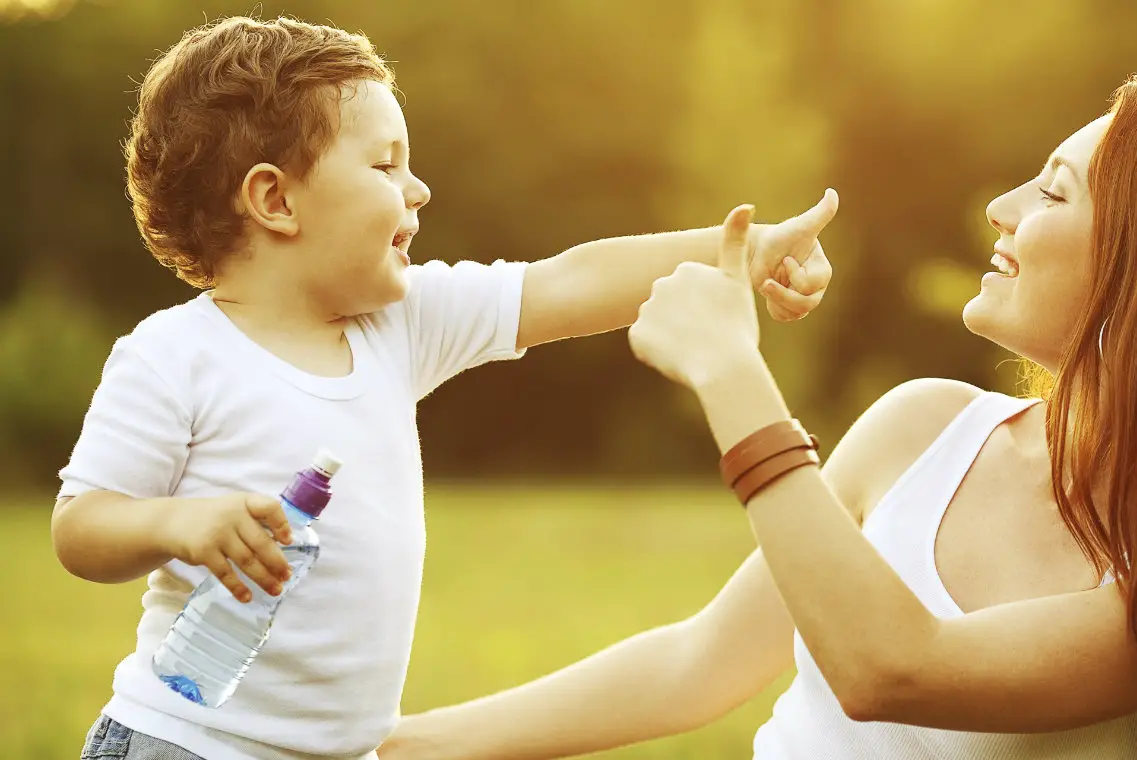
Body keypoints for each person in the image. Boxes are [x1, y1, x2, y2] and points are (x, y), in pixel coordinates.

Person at [380, 77, 1137, 760]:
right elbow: (700, 662)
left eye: (1055, 194)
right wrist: (411, 744)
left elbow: (891, 668)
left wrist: (732, 373)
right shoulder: (925, 431)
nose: (1003, 207)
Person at [55, 16, 838, 760]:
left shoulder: (400, 324)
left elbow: (570, 281)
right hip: (179, 743)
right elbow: (81, 527)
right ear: (275, 201)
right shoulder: (174, 355)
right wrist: (179, 525)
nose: (418, 188)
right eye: (385, 164)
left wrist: (749, 249)